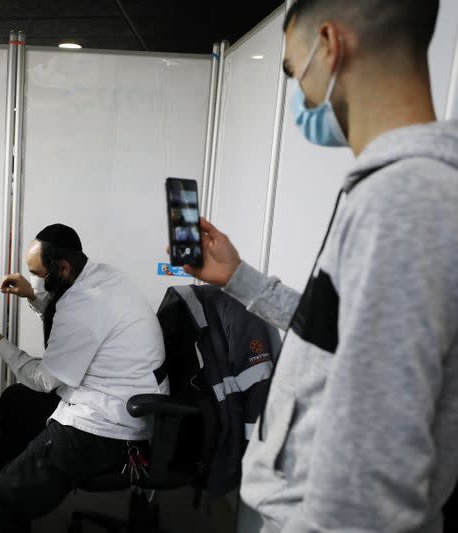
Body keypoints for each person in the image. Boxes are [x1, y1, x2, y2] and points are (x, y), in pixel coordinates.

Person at [186, 1, 458, 531]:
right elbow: (340, 336)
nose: (299, 93)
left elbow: (369, 481)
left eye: (293, 69)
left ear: (330, 46)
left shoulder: (405, 200)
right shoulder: (399, 191)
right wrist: (239, 278)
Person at [0, 224, 169, 532]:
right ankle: (14, 498)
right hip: (112, 394)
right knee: (15, 400)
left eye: (37, 274)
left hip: (110, 427)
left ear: (63, 267)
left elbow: (45, 379)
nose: (34, 280)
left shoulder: (86, 306)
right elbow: (72, 322)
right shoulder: (98, 276)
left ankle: (1, 503)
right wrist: (33, 295)